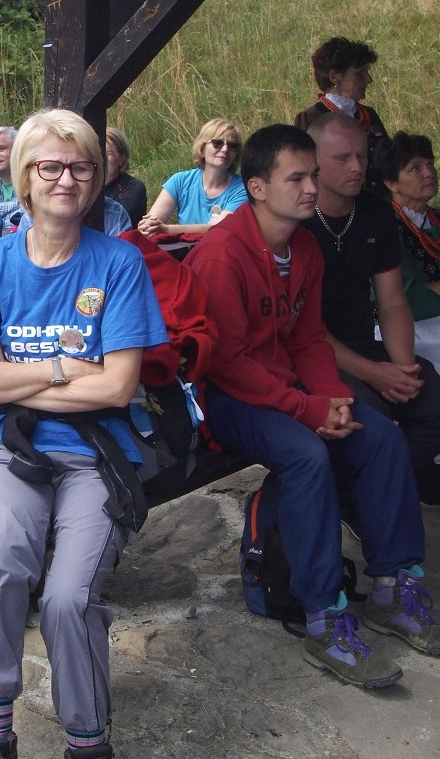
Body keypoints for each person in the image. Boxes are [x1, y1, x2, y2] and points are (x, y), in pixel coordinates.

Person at [0, 108, 167, 759]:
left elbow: (115, 390)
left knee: (72, 596)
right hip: (6, 447)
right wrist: (55, 368)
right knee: (2, 565)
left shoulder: (118, 262)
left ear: (96, 176)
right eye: (49, 166)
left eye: (79, 166)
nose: (65, 178)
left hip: (94, 452)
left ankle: (89, 754)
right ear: (25, 177)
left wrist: (15, 378)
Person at [187, 124, 437, 689]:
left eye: (312, 176)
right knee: (306, 456)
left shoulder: (302, 246)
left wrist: (335, 400)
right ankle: (325, 616)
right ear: (255, 186)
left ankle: (396, 588)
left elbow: (307, 337)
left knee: (379, 435)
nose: (310, 188)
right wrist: (308, 411)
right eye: (295, 178)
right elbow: (227, 363)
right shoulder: (223, 255)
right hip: (231, 401)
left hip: (290, 389)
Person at [304, 111, 440, 506]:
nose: (357, 167)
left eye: (362, 156)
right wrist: (377, 375)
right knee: (373, 416)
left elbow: (393, 298)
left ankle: (395, 484)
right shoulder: (300, 220)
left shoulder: (375, 212)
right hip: (311, 355)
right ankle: (359, 496)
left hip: (365, 344)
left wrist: (400, 369)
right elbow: (306, 328)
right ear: (314, 161)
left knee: (430, 397)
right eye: (342, 158)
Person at [376, 132, 440, 371]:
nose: (428, 173)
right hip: (411, 330)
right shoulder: (385, 227)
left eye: (430, 164)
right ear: (391, 183)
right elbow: (408, 297)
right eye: (415, 168)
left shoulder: (436, 219)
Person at [294, 37, 389, 185]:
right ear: (334, 77)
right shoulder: (309, 118)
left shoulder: (368, 115)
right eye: (359, 73)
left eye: (367, 72)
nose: (368, 79)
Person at [138, 118, 246, 236]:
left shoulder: (242, 189)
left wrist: (167, 230)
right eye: (218, 143)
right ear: (202, 148)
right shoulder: (180, 181)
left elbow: (218, 228)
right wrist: (147, 226)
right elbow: (152, 222)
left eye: (232, 146)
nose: (225, 149)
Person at [104, 126, 147, 225]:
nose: (102, 158)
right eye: (98, 152)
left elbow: (118, 221)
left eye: (107, 153)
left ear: (122, 158)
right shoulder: (86, 184)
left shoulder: (133, 187)